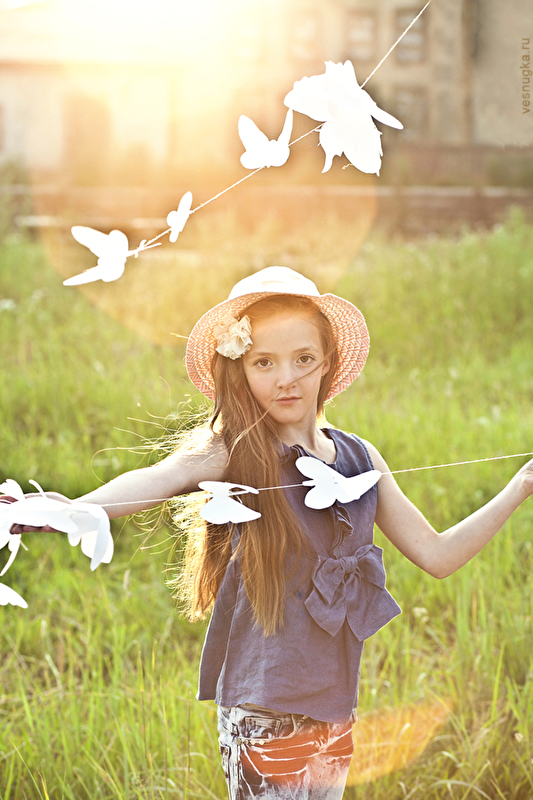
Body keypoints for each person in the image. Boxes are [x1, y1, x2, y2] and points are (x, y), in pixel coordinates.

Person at [8, 266, 533, 799]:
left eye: (303, 359)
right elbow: (158, 478)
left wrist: (521, 485)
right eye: (264, 362)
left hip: (335, 711)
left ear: (327, 362)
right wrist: (71, 509)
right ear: (239, 370)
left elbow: (438, 554)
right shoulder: (236, 450)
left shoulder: (360, 457)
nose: (287, 378)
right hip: (264, 713)